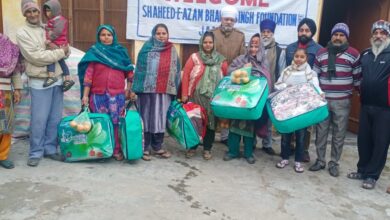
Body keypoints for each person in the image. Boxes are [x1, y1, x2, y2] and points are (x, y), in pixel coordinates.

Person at [16, 0, 70, 167]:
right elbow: (36, 57)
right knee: (39, 119)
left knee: (55, 118)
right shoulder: (22, 33)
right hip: (39, 81)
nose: (33, 14)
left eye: (35, 11)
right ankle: (35, 152)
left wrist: (62, 51)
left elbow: (64, 50)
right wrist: (61, 52)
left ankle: (50, 149)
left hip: (57, 79)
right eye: (29, 12)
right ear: (24, 14)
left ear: (39, 12)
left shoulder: (45, 28)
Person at [309, 23, 361, 177]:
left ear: (346, 37)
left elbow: (358, 78)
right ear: (331, 36)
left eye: (341, 35)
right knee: (321, 131)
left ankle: (334, 163)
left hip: (342, 101)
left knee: (339, 133)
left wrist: (360, 94)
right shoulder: (321, 53)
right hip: (323, 100)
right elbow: (314, 76)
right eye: (335, 34)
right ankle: (320, 160)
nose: (338, 38)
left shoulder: (353, 54)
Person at [78, 25, 134, 161]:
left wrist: (129, 89)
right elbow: (88, 77)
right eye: (103, 35)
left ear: (113, 36)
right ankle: (101, 150)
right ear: (98, 37)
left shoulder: (121, 52)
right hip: (98, 96)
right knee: (100, 124)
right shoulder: (94, 52)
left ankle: (115, 150)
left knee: (116, 123)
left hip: (117, 96)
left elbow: (129, 72)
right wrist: (85, 96)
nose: (106, 37)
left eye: (109, 35)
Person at [347, 20, 390, 190]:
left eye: (383, 33)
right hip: (366, 105)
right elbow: (357, 75)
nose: (379, 36)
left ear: (387, 35)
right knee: (363, 139)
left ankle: (372, 175)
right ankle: (362, 170)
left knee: (380, 142)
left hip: (385, 108)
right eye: (376, 32)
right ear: (372, 35)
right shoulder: (365, 54)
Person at [132, 23, 181, 161]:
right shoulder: (146, 48)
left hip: (164, 91)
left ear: (168, 35)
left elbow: (176, 70)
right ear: (154, 34)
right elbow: (140, 70)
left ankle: (158, 146)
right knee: (146, 117)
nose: (161, 36)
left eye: (164, 33)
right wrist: (136, 88)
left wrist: (175, 89)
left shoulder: (172, 50)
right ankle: (145, 147)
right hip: (146, 91)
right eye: (158, 33)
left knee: (160, 117)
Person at [223, 34, 271, 164]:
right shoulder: (241, 59)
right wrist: (243, 69)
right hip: (238, 98)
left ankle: (248, 153)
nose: (253, 48)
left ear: (260, 47)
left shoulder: (264, 61)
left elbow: (266, 79)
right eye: (252, 45)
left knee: (250, 127)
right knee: (234, 125)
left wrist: (255, 74)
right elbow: (229, 72)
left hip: (252, 100)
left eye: (257, 46)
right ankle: (233, 151)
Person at [181, 31, 228, 160]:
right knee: (195, 122)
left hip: (213, 98)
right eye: (205, 42)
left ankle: (207, 148)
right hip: (196, 96)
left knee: (210, 124)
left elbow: (225, 80)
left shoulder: (221, 60)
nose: (208, 45)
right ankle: (192, 147)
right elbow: (185, 75)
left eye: (210, 42)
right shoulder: (194, 57)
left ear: (214, 44)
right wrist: (184, 93)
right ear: (202, 43)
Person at [275, 48, 323, 173]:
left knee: (301, 136)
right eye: (297, 56)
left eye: (302, 57)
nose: (299, 59)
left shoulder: (310, 73)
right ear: (293, 57)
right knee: (286, 135)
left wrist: (321, 93)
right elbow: (278, 84)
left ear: (306, 58)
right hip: (287, 109)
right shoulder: (286, 71)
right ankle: (284, 158)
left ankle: (298, 162)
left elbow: (315, 86)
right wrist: (287, 87)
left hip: (302, 110)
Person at [285, 18, 323, 162]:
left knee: (306, 123)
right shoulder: (289, 48)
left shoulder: (318, 49)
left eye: (307, 30)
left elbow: (318, 72)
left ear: (312, 32)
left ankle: (304, 150)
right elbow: (285, 69)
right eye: (301, 30)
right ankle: (290, 146)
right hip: (291, 91)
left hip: (308, 92)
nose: (304, 33)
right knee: (290, 117)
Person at [211, 5, 245, 145]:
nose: (229, 22)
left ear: (235, 21)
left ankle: (225, 136)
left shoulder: (240, 36)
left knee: (228, 106)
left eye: (231, 19)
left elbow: (243, 57)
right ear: (221, 19)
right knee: (212, 105)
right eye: (226, 19)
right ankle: (209, 135)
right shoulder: (212, 33)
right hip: (214, 75)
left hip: (233, 77)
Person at [258, 19, 286, 155]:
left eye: (268, 32)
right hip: (255, 90)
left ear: (273, 33)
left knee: (269, 118)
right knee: (254, 116)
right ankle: (251, 143)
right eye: (263, 32)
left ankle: (267, 144)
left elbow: (282, 72)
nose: (266, 34)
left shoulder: (280, 51)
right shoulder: (254, 47)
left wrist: (278, 90)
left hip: (271, 89)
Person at [0, 34, 23, 169]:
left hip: (5, 92)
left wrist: (18, 89)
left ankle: (2, 155)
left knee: (5, 124)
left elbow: (15, 71)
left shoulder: (7, 44)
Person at [42, 0, 74, 91]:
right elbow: (49, 28)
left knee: (51, 58)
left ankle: (51, 76)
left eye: (50, 10)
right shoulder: (53, 20)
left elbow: (58, 31)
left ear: (55, 10)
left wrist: (49, 40)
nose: (48, 13)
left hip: (58, 44)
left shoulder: (60, 20)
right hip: (58, 44)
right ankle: (67, 79)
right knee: (61, 61)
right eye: (46, 11)